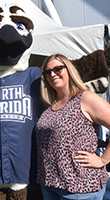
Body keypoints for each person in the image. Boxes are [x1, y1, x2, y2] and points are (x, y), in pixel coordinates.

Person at [35, 54, 110, 200]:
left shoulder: (86, 98)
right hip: (50, 186)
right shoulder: (49, 106)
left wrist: (102, 160)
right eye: (47, 72)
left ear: (69, 70)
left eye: (58, 69)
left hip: (81, 188)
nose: (52, 74)